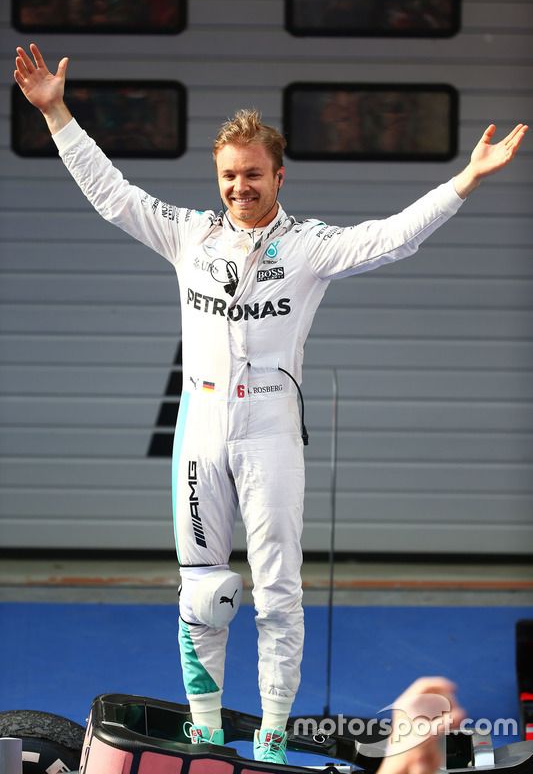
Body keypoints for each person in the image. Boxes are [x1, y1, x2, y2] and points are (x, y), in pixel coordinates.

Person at [14, 43, 527, 766]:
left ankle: (276, 736)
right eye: (228, 175)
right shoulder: (190, 235)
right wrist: (55, 111)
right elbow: (112, 193)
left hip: (271, 433)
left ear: (278, 175)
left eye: (252, 175)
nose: (239, 187)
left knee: (277, 593)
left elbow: (389, 239)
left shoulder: (310, 246)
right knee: (201, 593)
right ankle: (201, 731)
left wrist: (465, 180)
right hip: (201, 428)